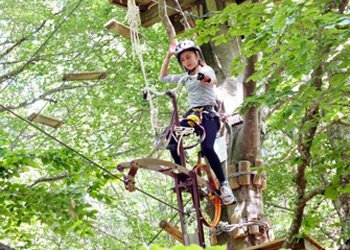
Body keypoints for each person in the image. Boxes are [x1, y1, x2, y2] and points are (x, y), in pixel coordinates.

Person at [159, 39, 236, 205]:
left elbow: (212, 80)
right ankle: (182, 174)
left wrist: (202, 77)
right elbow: (162, 78)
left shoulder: (205, 70)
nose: (186, 61)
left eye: (189, 57)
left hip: (209, 115)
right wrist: (168, 56)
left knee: (207, 147)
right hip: (193, 116)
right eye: (183, 60)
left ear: (197, 55)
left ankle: (224, 185)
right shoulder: (185, 77)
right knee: (171, 135)